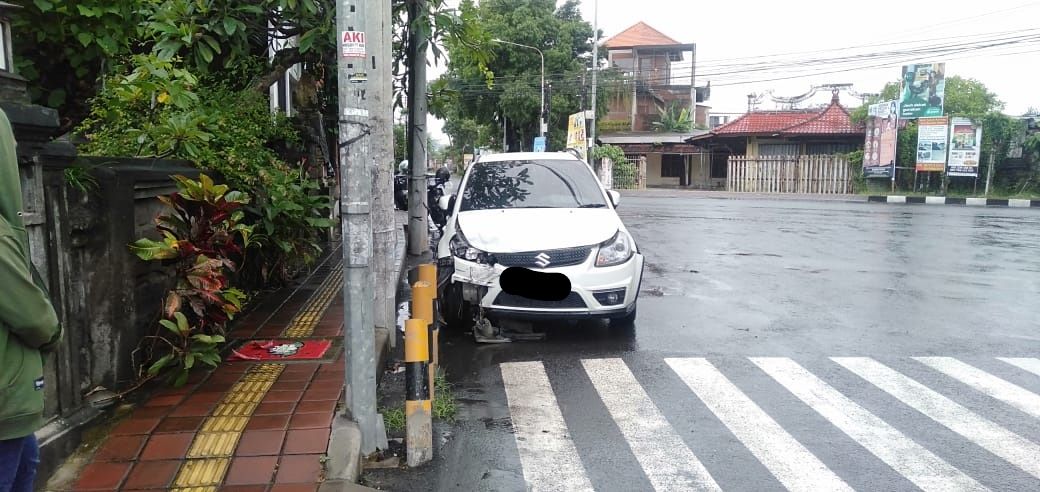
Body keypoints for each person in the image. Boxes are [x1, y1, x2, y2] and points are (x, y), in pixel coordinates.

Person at [0, 108, 62, 492]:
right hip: (5, 399)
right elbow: (34, 319)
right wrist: (54, 334)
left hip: (12, 407)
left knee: (28, 463)